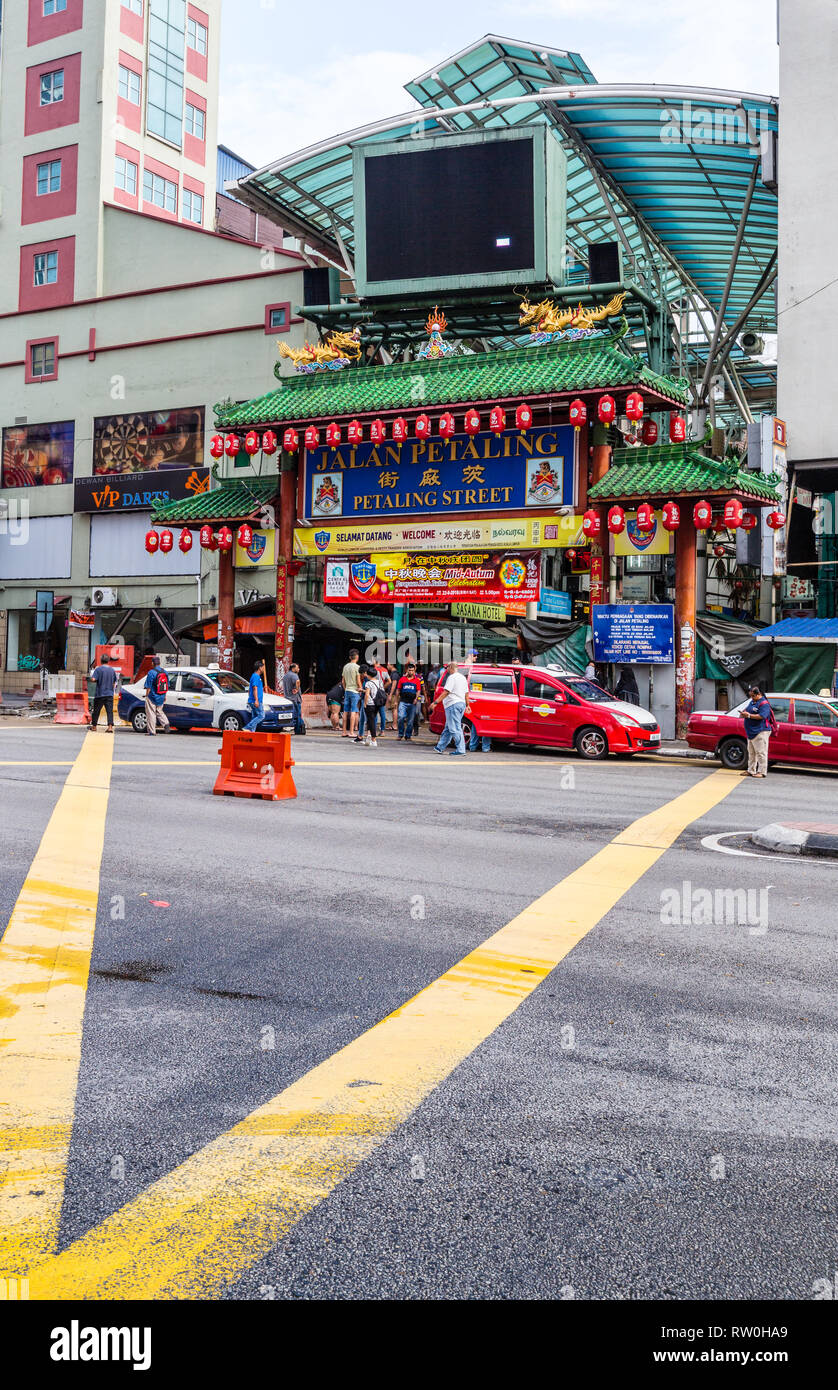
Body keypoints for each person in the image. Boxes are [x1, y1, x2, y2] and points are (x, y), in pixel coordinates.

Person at [432, 660, 468, 756]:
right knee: (448, 727)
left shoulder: (452, 678)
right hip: (461, 703)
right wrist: (467, 705)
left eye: (447, 667)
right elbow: (466, 693)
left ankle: (461, 749)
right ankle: (440, 747)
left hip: (453, 704)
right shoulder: (463, 678)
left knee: (455, 728)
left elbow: (446, 692)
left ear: (451, 667)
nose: (446, 669)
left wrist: (435, 702)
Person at [742, 684, 775, 777]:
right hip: (751, 731)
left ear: (758, 694)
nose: (751, 698)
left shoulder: (764, 704)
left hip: (761, 731)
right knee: (751, 752)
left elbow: (762, 716)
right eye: (750, 696)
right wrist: (744, 713)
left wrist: (748, 715)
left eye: (753, 696)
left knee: (761, 752)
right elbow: (748, 710)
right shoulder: (752, 702)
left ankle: (762, 772)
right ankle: (751, 770)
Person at [89, 653, 118, 732]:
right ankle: (110, 727)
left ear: (101, 661)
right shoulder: (112, 670)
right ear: (108, 661)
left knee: (96, 711)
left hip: (100, 694)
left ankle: (94, 726)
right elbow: (114, 682)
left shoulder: (98, 669)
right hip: (109, 694)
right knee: (109, 711)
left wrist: (91, 678)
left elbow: (93, 679)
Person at [143, 656, 171, 735]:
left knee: (151, 713)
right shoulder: (164, 672)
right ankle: (166, 723)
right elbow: (167, 685)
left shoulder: (151, 672)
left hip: (152, 696)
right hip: (161, 695)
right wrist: (164, 695)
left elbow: (148, 686)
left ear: (152, 663)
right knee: (159, 711)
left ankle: (152, 731)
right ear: (159, 663)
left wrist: (146, 696)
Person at [396, 663, 423, 741]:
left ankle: (408, 735)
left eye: (412, 670)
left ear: (414, 671)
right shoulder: (402, 679)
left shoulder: (417, 681)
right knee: (401, 717)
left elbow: (418, 691)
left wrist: (416, 698)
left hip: (412, 703)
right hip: (403, 702)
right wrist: (396, 701)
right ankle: (400, 734)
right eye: (409, 670)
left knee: (410, 721)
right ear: (407, 670)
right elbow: (398, 690)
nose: (411, 672)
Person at [341, 648, 362, 739]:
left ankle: (344, 731)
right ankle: (351, 732)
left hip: (347, 691)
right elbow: (358, 680)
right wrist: (360, 689)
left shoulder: (345, 666)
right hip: (355, 691)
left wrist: (346, 689)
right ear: (357, 657)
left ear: (350, 657)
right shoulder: (357, 667)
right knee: (353, 711)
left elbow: (343, 681)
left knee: (345, 711)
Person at [361, 664, 383, 747]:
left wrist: (365, 704)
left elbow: (367, 695)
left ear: (369, 675)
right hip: (377, 703)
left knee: (371, 721)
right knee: (372, 720)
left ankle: (374, 740)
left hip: (370, 704)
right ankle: (369, 738)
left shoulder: (368, 683)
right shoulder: (379, 681)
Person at [282, 661, 304, 734]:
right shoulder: (294, 675)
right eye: (297, 668)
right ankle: (299, 730)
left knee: (293, 714)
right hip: (295, 699)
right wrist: (297, 689)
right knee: (298, 714)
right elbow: (297, 681)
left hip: (288, 699)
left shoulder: (285, 676)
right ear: (293, 668)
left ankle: (300, 727)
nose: (299, 669)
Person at [244, 659, 266, 731]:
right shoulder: (256, 676)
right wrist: (256, 700)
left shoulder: (254, 676)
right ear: (260, 667)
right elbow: (254, 688)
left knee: (254, 717)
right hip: (256, 701)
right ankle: (248, 727)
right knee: (261, 715)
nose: (264, 669)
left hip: (253, 700)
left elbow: (250, 689)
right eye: (263, 667)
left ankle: (251, 732)